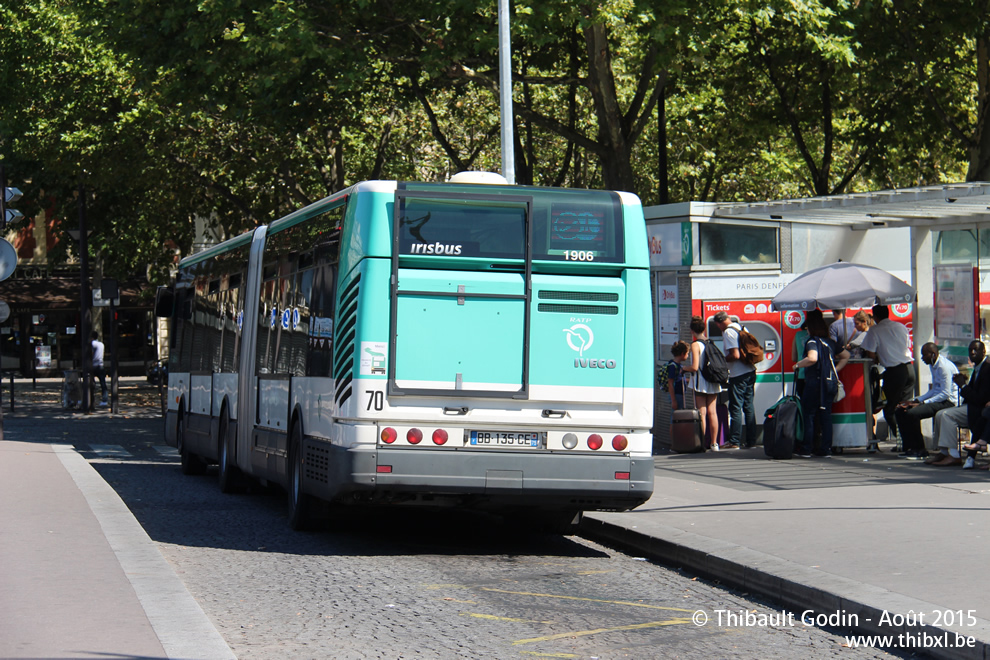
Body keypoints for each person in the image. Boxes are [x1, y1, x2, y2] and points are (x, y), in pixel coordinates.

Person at [793, 310, 849, 457]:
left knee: (809, 415)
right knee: (826, 416)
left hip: (815, 383)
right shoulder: (830, 342)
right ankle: (826, 449)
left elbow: (812, 358)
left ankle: (806, 449)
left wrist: (798, 365)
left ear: (810, 328)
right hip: (829, 383)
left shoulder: (812, 341)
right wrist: (834, 370)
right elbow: (846, 355)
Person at [928, 340, 990, 466]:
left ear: (983, 352)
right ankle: (945, 451)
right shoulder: (978, 367)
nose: (972, 353)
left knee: (946, 415)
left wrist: (963, 386)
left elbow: (980, 398)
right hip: (973, 407)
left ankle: (954, 455)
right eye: (970, 350)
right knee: (940, 414)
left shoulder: (987, 368)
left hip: (978, 409)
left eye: (976, 350)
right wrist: (965, 384)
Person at [893, 343, 959, 460]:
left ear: (933, 354)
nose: (922, 358)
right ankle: (909, 447)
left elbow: (945, 393)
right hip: (939, 398)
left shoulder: (943, 367)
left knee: (912, 413)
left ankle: (920, 449)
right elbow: (934, 390)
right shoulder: (933, 365)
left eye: (924, 355)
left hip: (949, 401)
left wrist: (922, 403)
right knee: (900, 410)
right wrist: (916, 400)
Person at [859, 305, 915, 441]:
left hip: (894, 371)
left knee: (890, 409)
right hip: (909, 368)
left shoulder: (874, 330)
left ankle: (902, 440)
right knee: (906, 408)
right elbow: (905, 345)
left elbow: (870, 354)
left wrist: (879, 356)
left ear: (875, 316)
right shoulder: (900, 326)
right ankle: (911, 441)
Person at [681, 315, 726, 451]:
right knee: (713, 412)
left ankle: (701, 442)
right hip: (713, 380)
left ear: (692, 331)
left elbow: (694, 367)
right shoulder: (710, 342)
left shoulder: (695, 345)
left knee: (702, 412)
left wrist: (684, 368)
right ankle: (714, 443)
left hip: (701, 382)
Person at [714, 311, 757, 449]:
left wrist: (720, 360)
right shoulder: (741, 327)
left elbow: (735, 355)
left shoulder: (728, 332)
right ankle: (751, 441)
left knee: (736, 407)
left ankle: (735, 441)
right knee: (748, 406)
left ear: (719, 323)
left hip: (738, 374)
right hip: (750, 371)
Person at [659, 341, 690, 410]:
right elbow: (670, 383)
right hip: (676, 395)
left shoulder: (677, 365)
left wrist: (688, 380)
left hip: (679, 394)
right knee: (677, 416)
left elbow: (678, 379)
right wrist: (674, 400)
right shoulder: (673, 366)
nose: (688, 356)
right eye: (687, 353)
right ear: (682, 354)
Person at [792, 320, 810, 397]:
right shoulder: (817, 335)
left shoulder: (798, 335)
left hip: (801, 374)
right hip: (815, 375)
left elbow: (794, 357)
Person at [91, 331, 108, 406]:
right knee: (103, 383)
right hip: (100, 364)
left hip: (93, 365)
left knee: (90, 383)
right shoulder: (101, 344)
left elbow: (90, 354)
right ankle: (105, 400)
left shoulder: (92, 344)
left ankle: (91, 399)